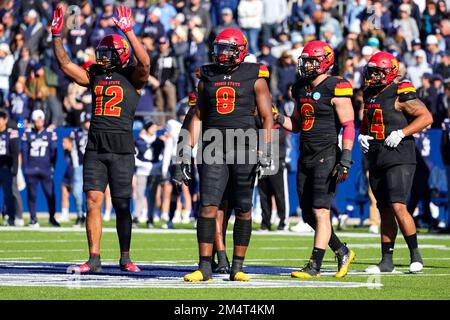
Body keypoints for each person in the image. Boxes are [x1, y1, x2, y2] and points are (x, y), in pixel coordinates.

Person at [52, 4, 150, 273]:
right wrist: (56, 36)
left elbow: (145, 63)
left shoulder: (133, 77)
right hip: (95, 146)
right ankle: (94, 259)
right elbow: (65, 64)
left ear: (121, 55)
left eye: (108, 53)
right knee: (93, 200)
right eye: (102, 53)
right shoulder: (94, 75)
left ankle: (126, 257)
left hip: (121, 147)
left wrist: (128, 31)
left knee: (121, 203)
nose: (103, 57)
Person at [178, 28, 274, 282]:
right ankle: (204, 266)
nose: (222, 53)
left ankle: (238, 267)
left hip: (244, 146)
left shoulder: (255, 75)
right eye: (219, 48)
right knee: (207, 207)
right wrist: (185, 153)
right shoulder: (207, 75)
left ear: (240, 50)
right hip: (213, 146)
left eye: (228, 48)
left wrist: (267, 151)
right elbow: (197, 116)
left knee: (243, 207)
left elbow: (267, 117)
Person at [275, 40, 356, 279]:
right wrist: (276, 116)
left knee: (321, 212)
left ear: (325, 62)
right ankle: (342, 250)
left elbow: (349, 126)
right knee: (309, 214)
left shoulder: (336, 86)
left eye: (312, 60)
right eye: (306, 60)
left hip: (327, 155)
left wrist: (346, 158)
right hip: (306, 156)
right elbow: (297, 124)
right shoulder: (300, 88)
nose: (307, 65)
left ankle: (314, 266)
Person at [358, 51, 433, 273]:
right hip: (377, 155)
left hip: (400, 155)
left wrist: (402, 132)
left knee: (398, 205)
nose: (373, 75)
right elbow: (367, 121)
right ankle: (386, 260)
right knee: (384, 209)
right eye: (371, 71)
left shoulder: (401, 92)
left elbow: (426, 117)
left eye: (378, 71)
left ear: (390, 71)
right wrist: (363, 134)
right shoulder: (369, 92)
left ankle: (415, 255)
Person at [21, 109, 58, 227]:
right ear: (33, 120)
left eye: (41, 119)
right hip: (31, 169)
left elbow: (54, 152)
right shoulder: (27, 133)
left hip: (45, 168)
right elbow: (24, 152)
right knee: (32, 195)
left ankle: (52, 217)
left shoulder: (50, 133)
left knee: (50, 194)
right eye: (37, 119)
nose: (39, 122)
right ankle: (33, 218)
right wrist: (25, 168)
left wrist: (52, 166)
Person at [134, 121, 165, 228]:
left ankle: (150, 218)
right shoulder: (139, 141)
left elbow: (163, 157)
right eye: (152, 128)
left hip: (154, 171)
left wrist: (156, 165)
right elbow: (134, 156)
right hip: (141, 171)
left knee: (153, 195)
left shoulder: (159, 142)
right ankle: (136, 217)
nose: (154, 130)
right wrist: (143, 165)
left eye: (155, 128)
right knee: (139, 195)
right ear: (147, 128)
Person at [67, 112, 91, 227]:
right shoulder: (76, 133)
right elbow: (71, 147)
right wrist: (75, 164)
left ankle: (90, 216)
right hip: (79, 165)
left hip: (93, 166)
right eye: (87, 121)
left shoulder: (96, 132)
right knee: (76, 192)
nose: (89, 124)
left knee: (92, 193)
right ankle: (80, 215)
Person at [0, 109, 18, 226]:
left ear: (5, 120)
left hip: (6, 168)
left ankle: (11, 217)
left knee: (9, 194)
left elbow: (15, 152)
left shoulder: (11, 133)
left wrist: (15, 168)